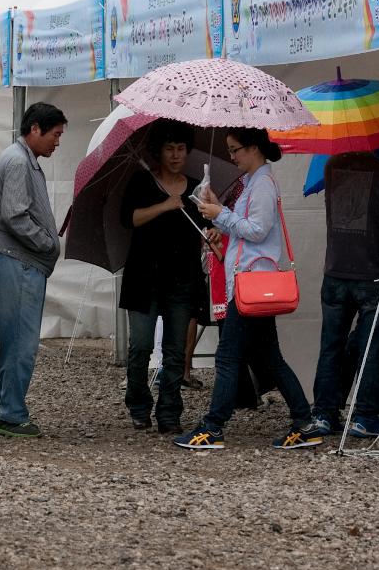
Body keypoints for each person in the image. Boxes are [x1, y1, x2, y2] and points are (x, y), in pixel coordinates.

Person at [179, 128, 323, 451]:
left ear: (254, 148)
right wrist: (220, 217)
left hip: (250, 283)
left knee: (228, 357)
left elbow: (257, 230)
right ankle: (304, 421)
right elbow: (247, 230)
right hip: (252, 283)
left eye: (235, 150)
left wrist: (222, 215)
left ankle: (213, 427)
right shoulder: (255, 183)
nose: (232, 156)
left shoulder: (262, 185)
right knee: (271, 359)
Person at [119, 121, 209, 434]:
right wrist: (164, 205)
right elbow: (129, 218)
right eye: (170, 148)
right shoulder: (143, 182)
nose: (175, 155)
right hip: (144, 279)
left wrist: (212, 233)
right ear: (159, 151)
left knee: (174, 351)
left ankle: (169, 411)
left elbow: (206, 228)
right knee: (140, 347)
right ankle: (139, 405)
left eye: (181, 149)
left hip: (182, 281)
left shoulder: (196, 187)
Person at [0, 102, 66, 438]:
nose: (57, 142)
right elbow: (16, 216)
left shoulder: (20, 158)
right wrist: (47, 243)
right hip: (18, 262)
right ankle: (10, 413)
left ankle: (4, 405)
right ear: (35, 128)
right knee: (22, 342)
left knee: (13, 339)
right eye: (55, 134)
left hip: (15, 261)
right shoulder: (19, 161)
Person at [311, 151, 379, 439]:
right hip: (370, 274)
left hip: (334, 271)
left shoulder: (331, 165)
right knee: (370, 347)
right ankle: (364, 416)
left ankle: (324, 413)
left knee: (331, 346)